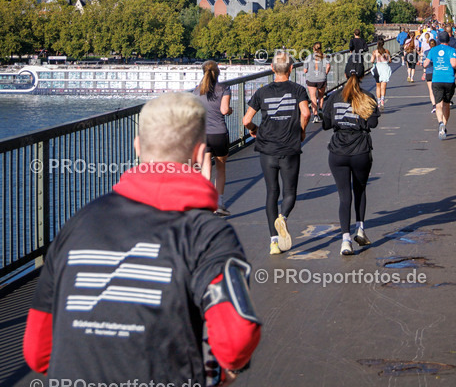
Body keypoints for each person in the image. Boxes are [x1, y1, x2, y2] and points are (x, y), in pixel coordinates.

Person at [23, 93, 261, 386]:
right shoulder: (209, 235)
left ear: (137, 147)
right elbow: (236, 338)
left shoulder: (79, 224)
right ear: (200, 155)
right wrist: (222, 372)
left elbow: (37, 352)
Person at [242, 50, 310, 255]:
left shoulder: (262, 92)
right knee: (289, 192)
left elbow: (246, 120)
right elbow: (306, 112)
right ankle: (283, 218)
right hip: (289, 147)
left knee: (272, 192)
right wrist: (301, 132)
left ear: (272, 69)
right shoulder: (298, 90)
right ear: (291, 69)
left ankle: (273, 242)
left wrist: (254, 129)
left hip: (267, 148)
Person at [323, 57, 379, 255]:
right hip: (361, 150)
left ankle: (345, 240)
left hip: (338, 150)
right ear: (363, 75)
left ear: (345, 74)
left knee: (343, 196)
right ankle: (361, 229)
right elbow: (372, 124)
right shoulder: (368, 97)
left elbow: (326, 124)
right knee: (360, 190)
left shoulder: (334, 97)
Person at [193, 59, 232, 213]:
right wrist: (229, 111)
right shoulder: (224, 88)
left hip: (203, 134)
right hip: (219, 134)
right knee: (221, 169)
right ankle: (219, 203)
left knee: (206, 168)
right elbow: (224, 110)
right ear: (218, 72)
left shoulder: (196, 91)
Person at [424, 30, 456, 139]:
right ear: (448, 40)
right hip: (449, 79)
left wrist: (433, 63)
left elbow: (425, 64)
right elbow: (454, 64)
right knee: (446, 104)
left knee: (438, 104)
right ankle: (444, 125)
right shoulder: (451, 50)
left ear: (438, 40)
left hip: (437, 79)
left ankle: (440, 123)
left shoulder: (433, 50)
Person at [303, 42, 331, 122]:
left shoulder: (308, 57)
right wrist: (325, 73)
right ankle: (320, 110)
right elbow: (328, 66)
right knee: (321, 96)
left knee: (313, 97)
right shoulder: (324, 56)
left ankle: (315, 115)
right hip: (322, 78)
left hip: (311, 79)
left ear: (313, 49)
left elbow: (305, 70)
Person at [371, 36, 392, 108]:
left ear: (377, 44)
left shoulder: (374, 52)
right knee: (384, 86)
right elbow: (390, 60)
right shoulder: (386, 51)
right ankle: (383, 99)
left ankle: (379, 101)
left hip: (378, 68)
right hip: (385, 68)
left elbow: (371, 60)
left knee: (378, 86)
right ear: (383, 44)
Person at [420, 28, 437, 113]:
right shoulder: (438, 52)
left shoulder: (426, 52)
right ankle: (439, 103)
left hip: (429, 72)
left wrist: (423, 72)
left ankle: (434, 105)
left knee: (431, 90)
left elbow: (424, 64)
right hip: (438, 72)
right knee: (437, 89)